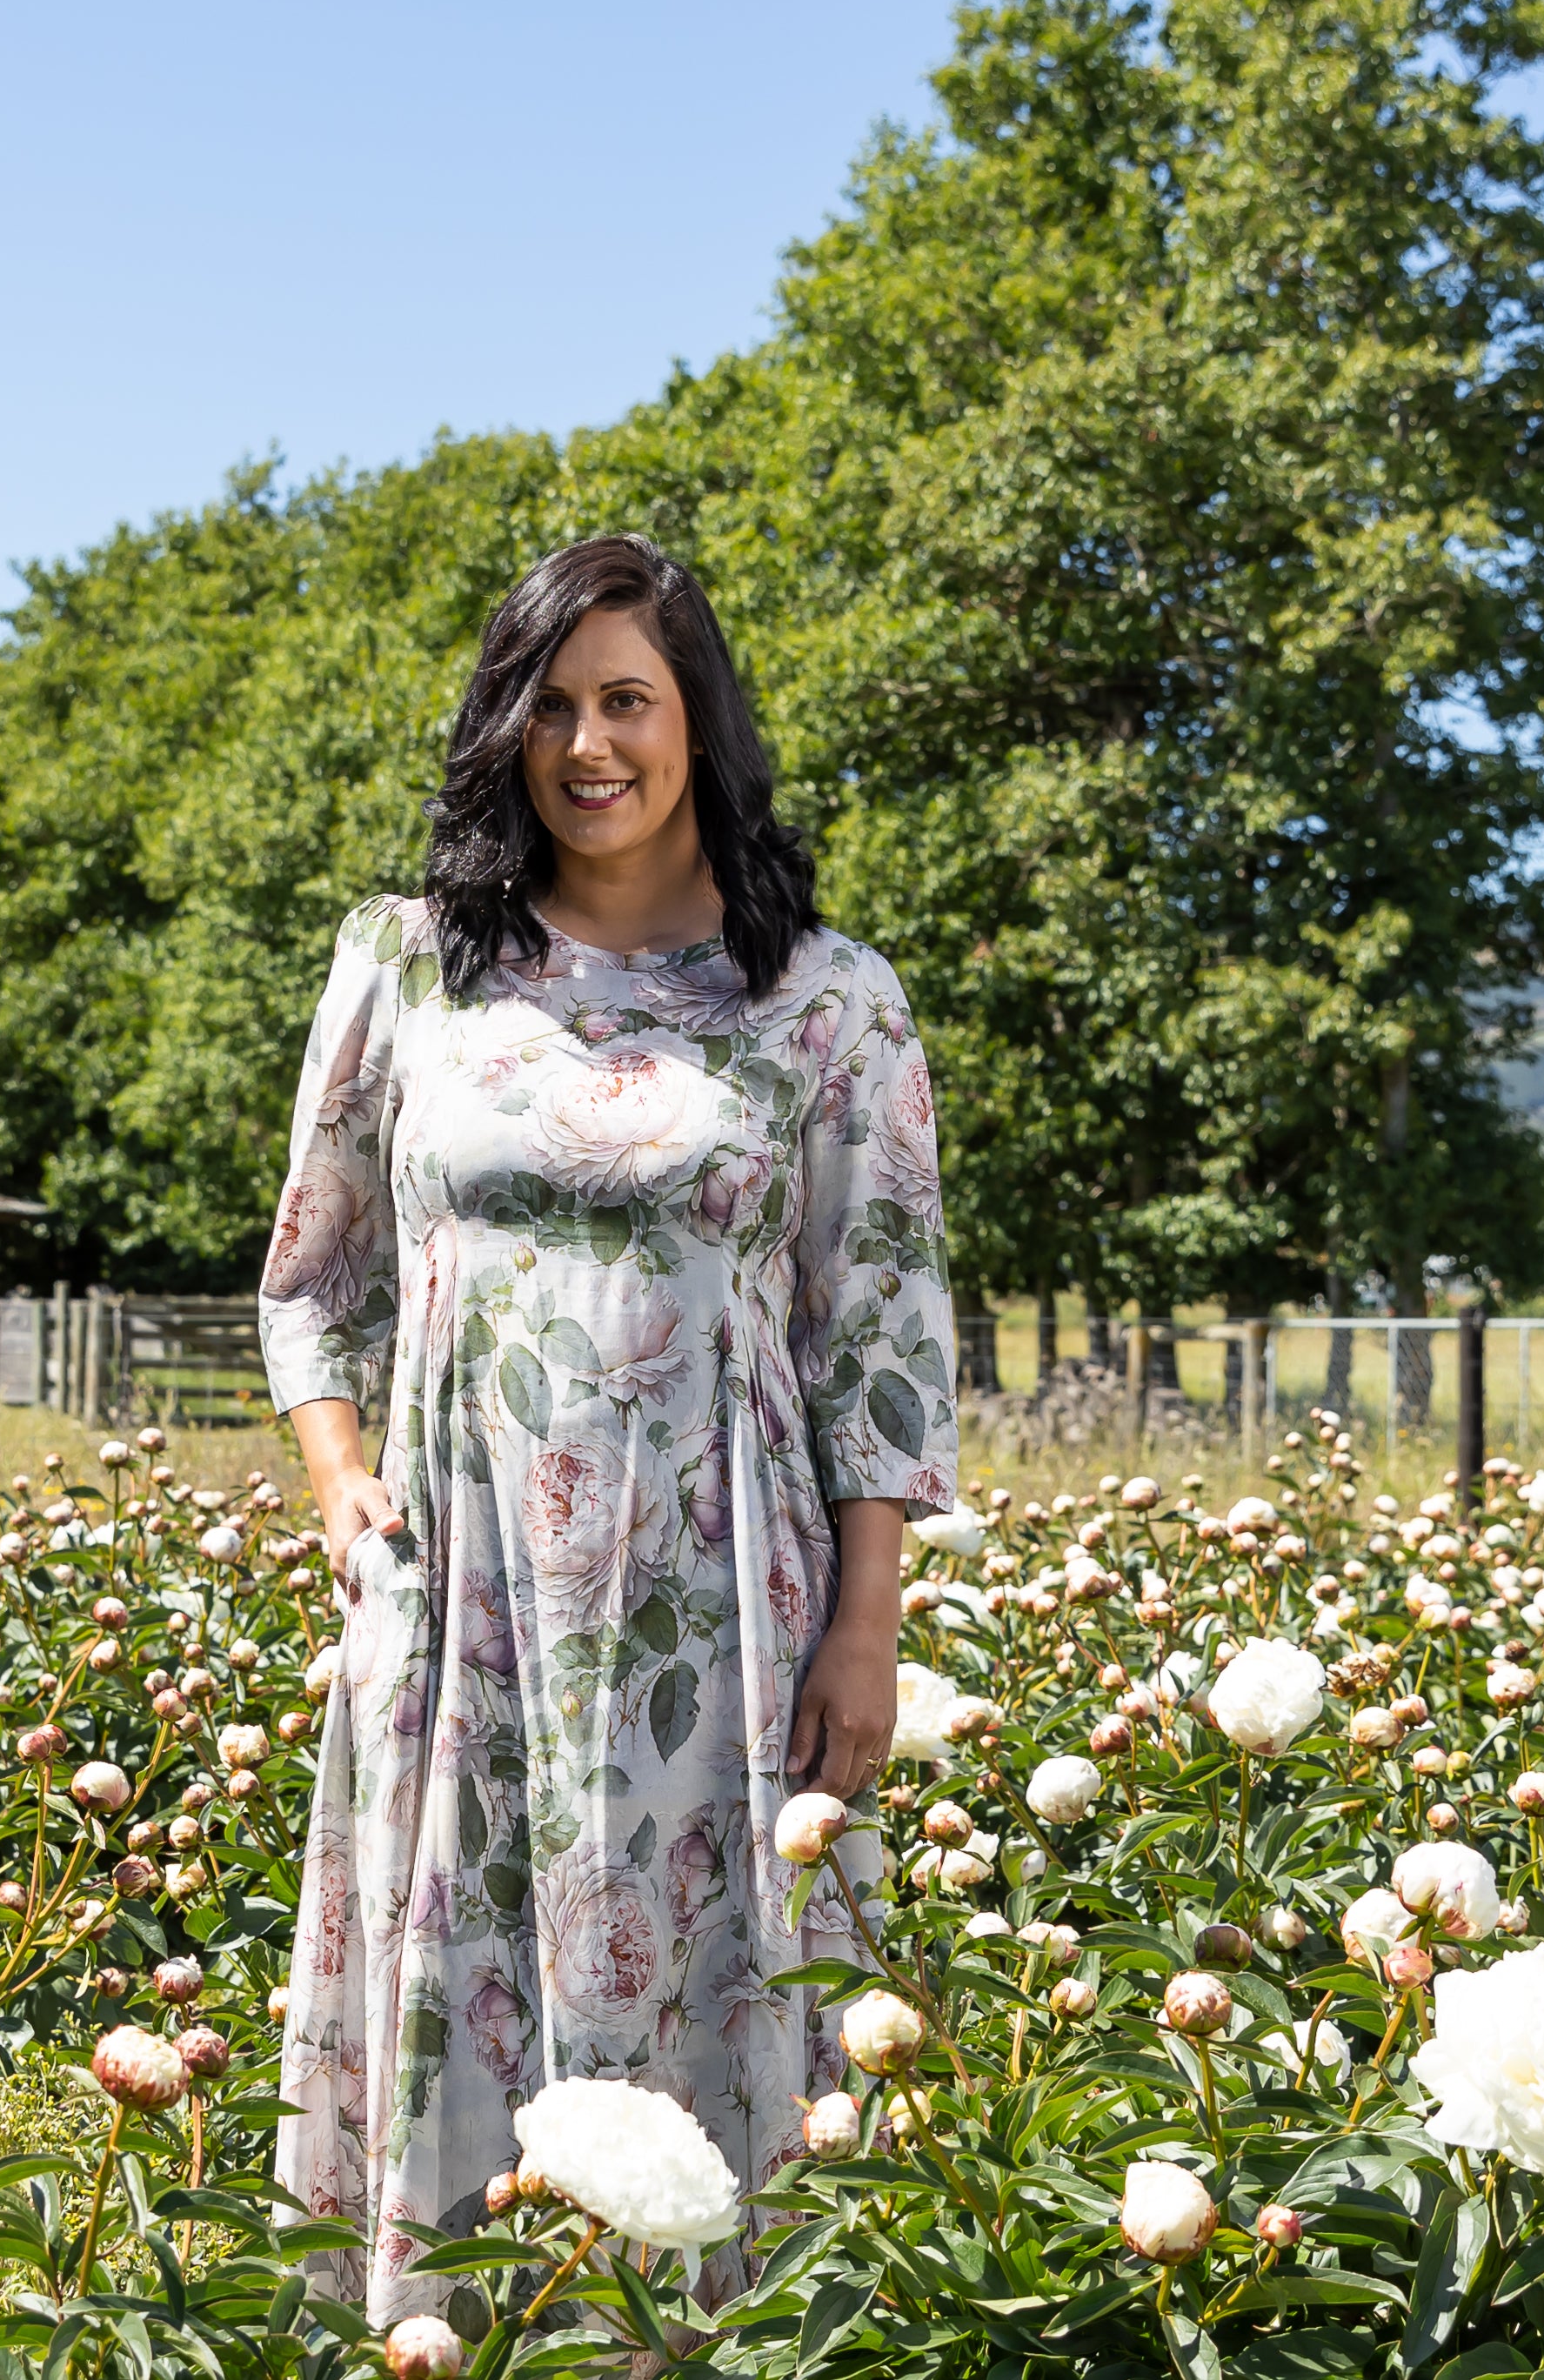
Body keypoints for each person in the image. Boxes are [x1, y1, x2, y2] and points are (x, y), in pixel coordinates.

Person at [257, 533, 958, 2314]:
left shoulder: (824, 999)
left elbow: (876, 1330)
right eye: (548, 705)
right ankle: (453, 2338)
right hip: (462, 1587)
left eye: (627, 701)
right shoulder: (410, 969)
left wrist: (866, 1630)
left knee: (720, 1990)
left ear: (695, 722)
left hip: (723, 1612)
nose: (588, 743)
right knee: (462, 1966)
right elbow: (306, 1274)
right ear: (503, 728)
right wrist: (340, 1482)